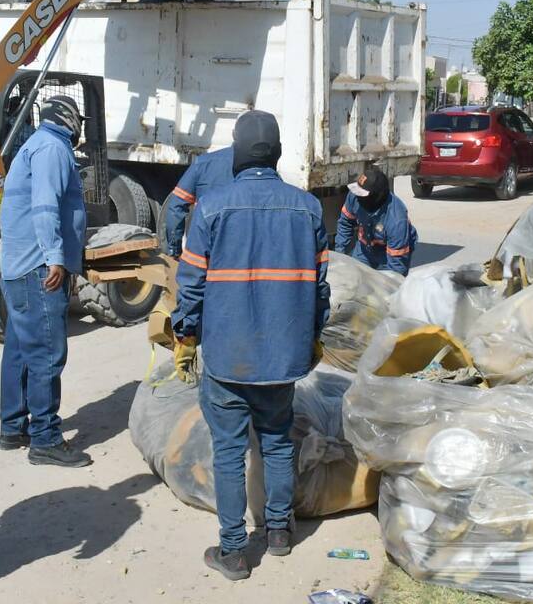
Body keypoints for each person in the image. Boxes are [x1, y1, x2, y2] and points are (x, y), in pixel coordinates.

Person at [171, 110, 331, 581]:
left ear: (238, 153)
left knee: (228, 451)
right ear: (277, 153)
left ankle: (235, 551)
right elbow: (320, 288)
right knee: (278, 442)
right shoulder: (306, 209)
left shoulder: (213, 206)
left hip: (227, 357)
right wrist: (314, 336)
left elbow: (192, 284)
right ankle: (279, 532)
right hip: (284, 358)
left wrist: (184, 334)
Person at [0, 95, 90, 467]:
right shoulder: (53, 148)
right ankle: (46, 439)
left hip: (19, 265)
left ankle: (13, 427)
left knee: (20, 349)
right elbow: (46, 206)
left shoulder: (35, 145)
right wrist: (55, 257)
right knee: (48, 354)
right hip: (38, 267)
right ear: (70, 119)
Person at [335, 165, 418, 276]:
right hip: (364, 249)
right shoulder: (354, 196)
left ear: (376, 197)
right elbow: (345, 223)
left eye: (362, 194)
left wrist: (390, 284)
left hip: (388, 253)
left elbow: (397, 269)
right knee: (356, 278)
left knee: (386, 286)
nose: (357, 197)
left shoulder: (396, 220)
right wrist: (339, 254)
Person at [163, 146, 234, 257]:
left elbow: (176, 207)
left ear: (234, 133)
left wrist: (174, 250)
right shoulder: (266, 169)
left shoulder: (203, 163)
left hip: (203, 250)